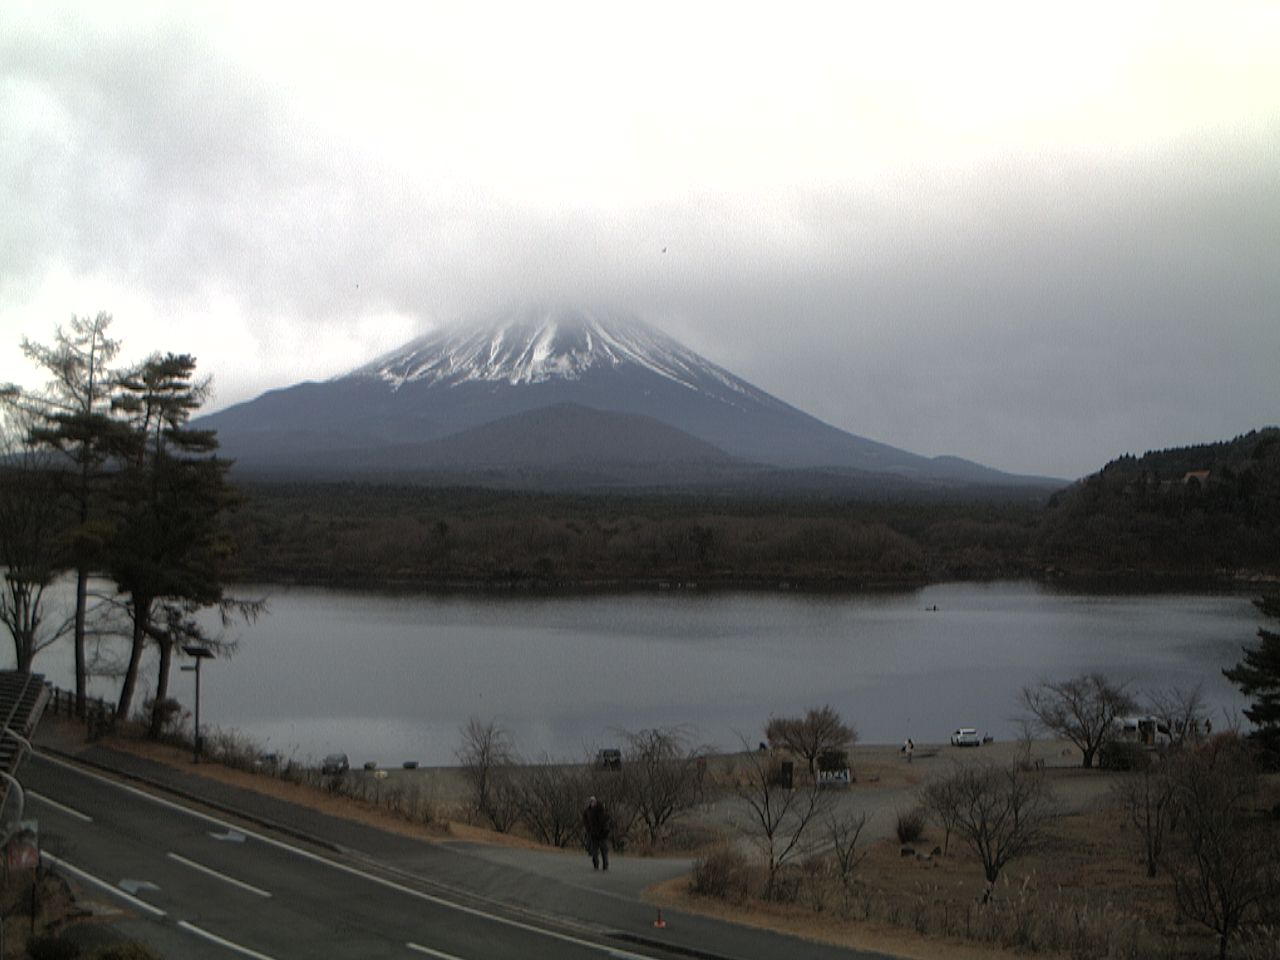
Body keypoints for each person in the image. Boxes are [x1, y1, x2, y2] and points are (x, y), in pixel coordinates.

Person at [582, 795, 611, 871]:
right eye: (591, 801)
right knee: (598, 852)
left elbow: (606, 821)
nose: (592, 803)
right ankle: (600, 865)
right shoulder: (589, 811)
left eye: (593, 801)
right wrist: (589, 829)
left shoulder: (597, 812)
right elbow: (585, 819)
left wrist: (605, 831)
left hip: (599, 835)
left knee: (600, 851)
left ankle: (601, 865)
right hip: (597, 835)